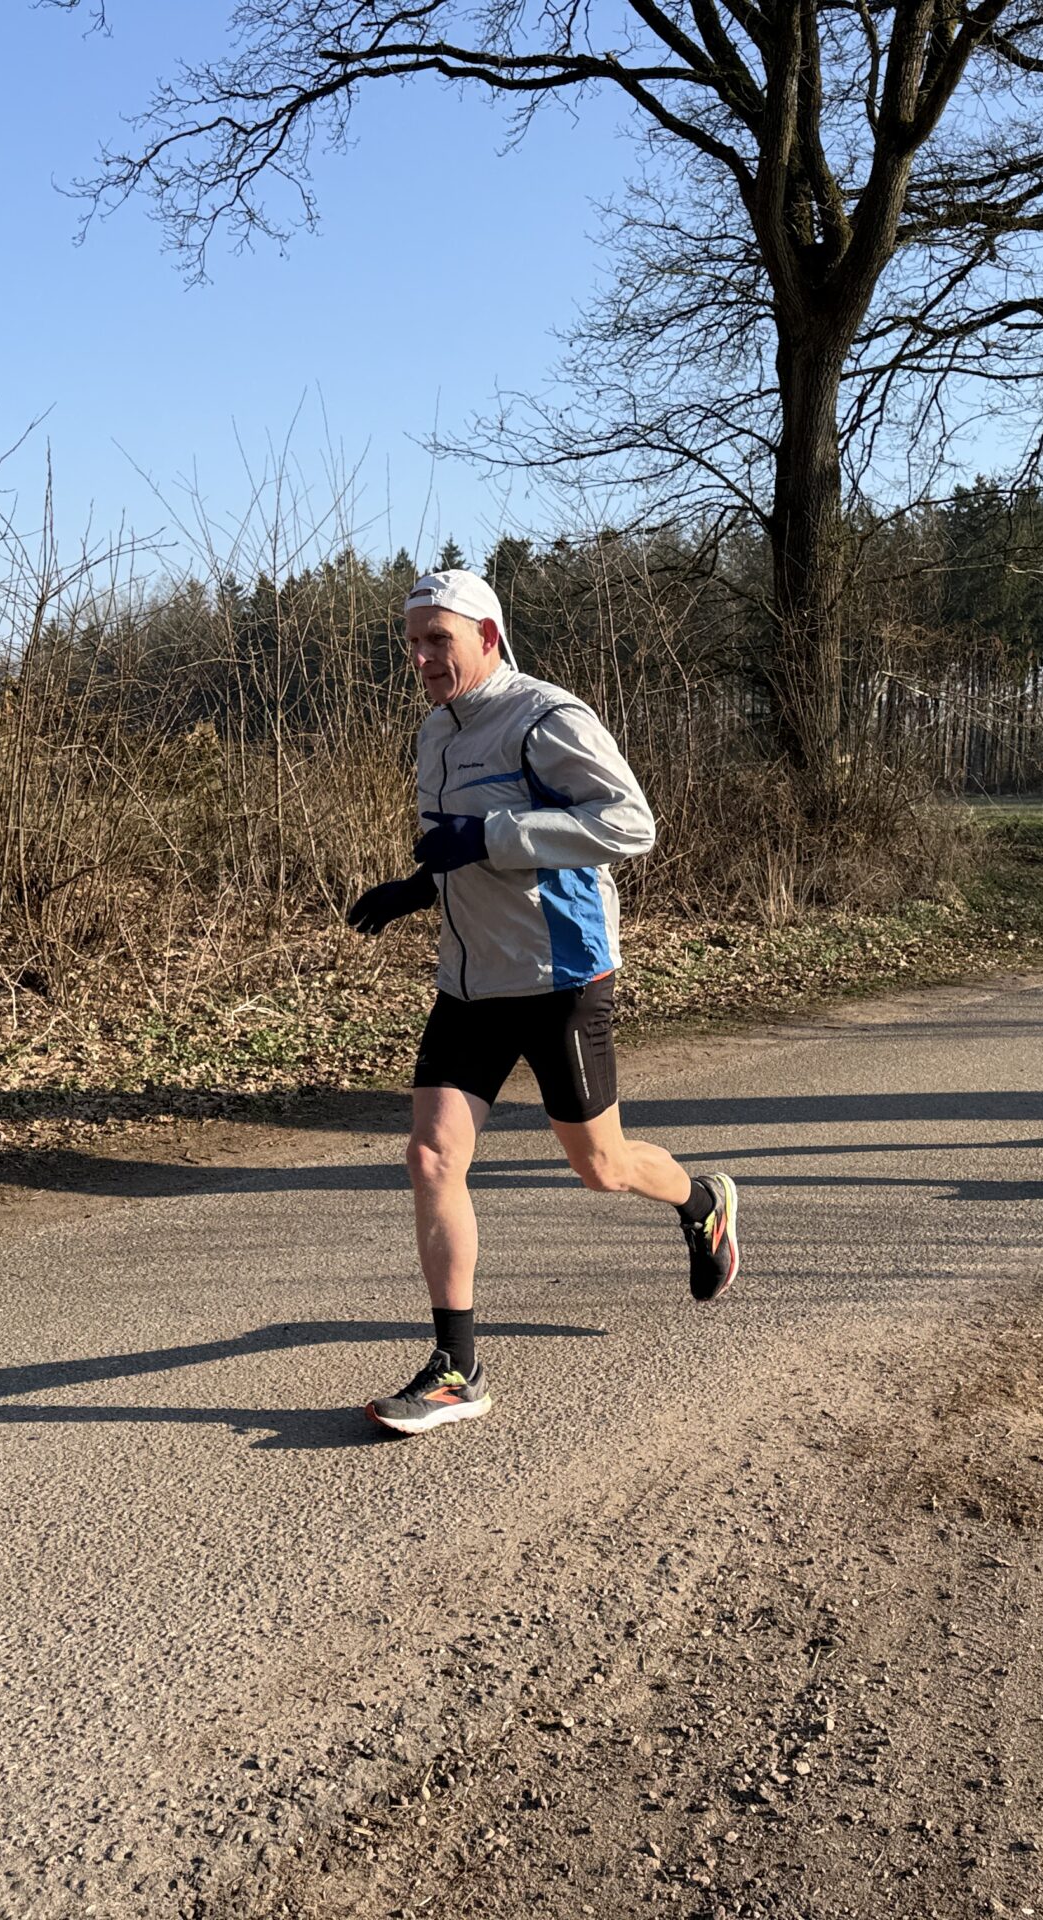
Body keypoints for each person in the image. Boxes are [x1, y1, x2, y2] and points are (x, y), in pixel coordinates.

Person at [345, 568, 741, 1435]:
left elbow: (630, 823)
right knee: (431, 1157)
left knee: (601, 1167)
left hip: (559, 975)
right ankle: (458, 1368)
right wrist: (420, 886)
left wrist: (489, 835)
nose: (422, 657)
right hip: (469, 980)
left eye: (438, 639)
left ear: (487, 636)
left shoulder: (546, 717)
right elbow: (458, 845)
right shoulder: (436, 730)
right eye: (412, 643)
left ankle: (701, 1203)